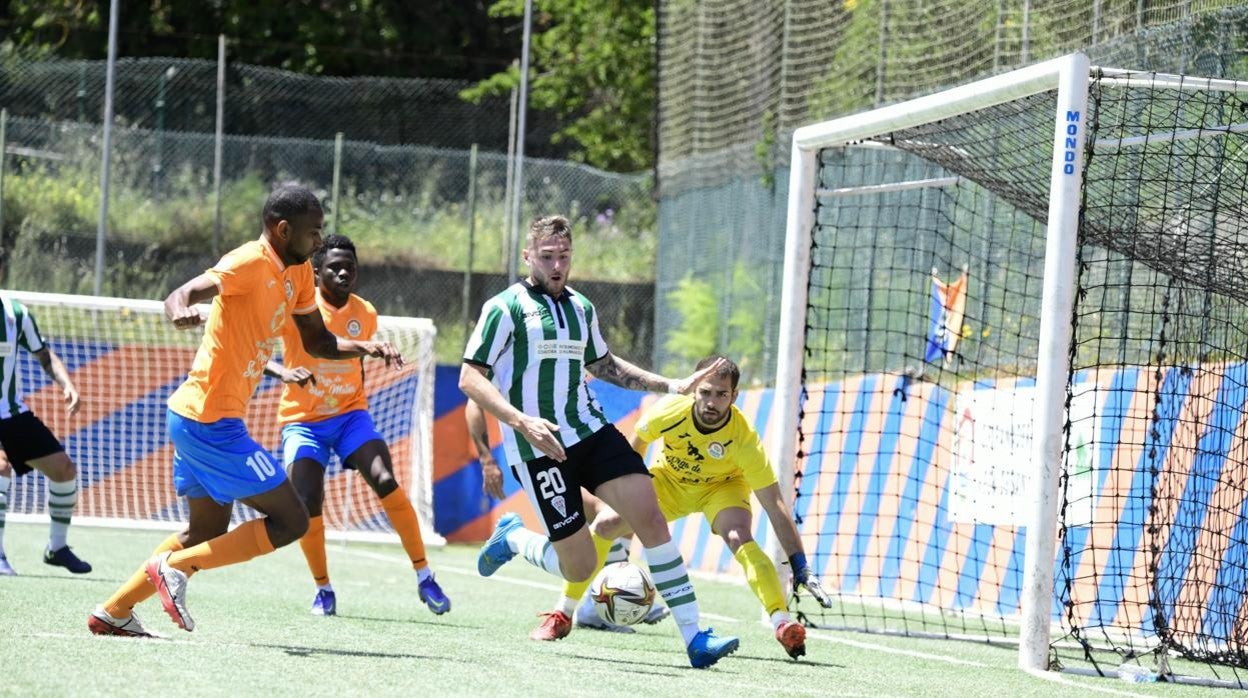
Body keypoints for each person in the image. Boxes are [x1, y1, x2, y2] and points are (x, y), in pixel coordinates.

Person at [88, 184, 403, 638]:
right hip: (209, 422)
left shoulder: (297, 275)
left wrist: (365, 348)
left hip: (201, 419)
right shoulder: (247, 262)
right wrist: (178, 310)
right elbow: (185, 292)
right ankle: (174, 569)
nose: (319, 242)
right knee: (293, 519)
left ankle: (113, 610)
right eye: (313, 233)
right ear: (282, 229)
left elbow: (319, 342)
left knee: (206, 531)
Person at [460, 214, 737, 669]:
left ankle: (695, 638)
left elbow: (607, 365)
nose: (556, 265)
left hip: (590, 430)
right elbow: (471, 378)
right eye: (546, 256)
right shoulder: (502, 309)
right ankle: (514, 539)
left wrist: (673, 385)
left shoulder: (582, 309)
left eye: (563, 256)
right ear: (528, 256)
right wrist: (521, 421)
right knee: (580, 567)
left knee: (649, 517)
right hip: (538, 446)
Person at [540, 355, 834, 658]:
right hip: (669, 483)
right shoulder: (668, 411)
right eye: (705, 392)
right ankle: (563, 614)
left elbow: (774, 505)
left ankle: (782, 624)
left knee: (738, 537)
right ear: (694, 389)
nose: (711, 402)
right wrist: (626, 498)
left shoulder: (744, 440)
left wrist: (800, 565)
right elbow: (634, 448)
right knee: (605, 524)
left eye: (721, 395)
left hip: (722, 489)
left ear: (734, 396)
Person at [265, 232, 448, 618]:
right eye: (334, 267)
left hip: (350, 416)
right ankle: (323, 589)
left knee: (384, 478)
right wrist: (282, 372)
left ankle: (424, 575)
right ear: (315, 272)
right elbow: (303, 345)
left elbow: (357, 365)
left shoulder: (365, 312)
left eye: (350, 266)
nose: (344, 272)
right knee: (307, 499)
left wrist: (356, 403)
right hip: (304, 422)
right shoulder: (298, 306)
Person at [464, 397, 668, 633]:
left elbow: (602, 366)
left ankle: (616, 595)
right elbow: (473, 391)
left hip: (583, 438)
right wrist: (486, 458)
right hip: (543, 455)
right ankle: (515, 538)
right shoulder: (502, 362)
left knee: (622, 512)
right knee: (580, 563)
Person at [0, 293, 91, 576]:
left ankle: (57, 548)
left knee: (64, 470)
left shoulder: (15, 314)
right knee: (1, 468)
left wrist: (68, 384)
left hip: (11, 412)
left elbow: (44, 353)